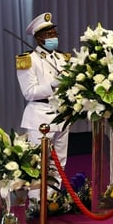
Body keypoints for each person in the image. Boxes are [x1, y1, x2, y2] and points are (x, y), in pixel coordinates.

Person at [16, 12, 70, 196]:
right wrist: (53, 84)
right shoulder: (28, 60)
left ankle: (53, 200)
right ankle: (36, 203)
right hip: (40, 116)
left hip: (62, 115)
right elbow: (29, 92)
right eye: (49, 34)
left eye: (54, 33)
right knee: (37, 164)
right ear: (38, 38)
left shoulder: (63, 58)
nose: (53, 37)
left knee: (59, 162)